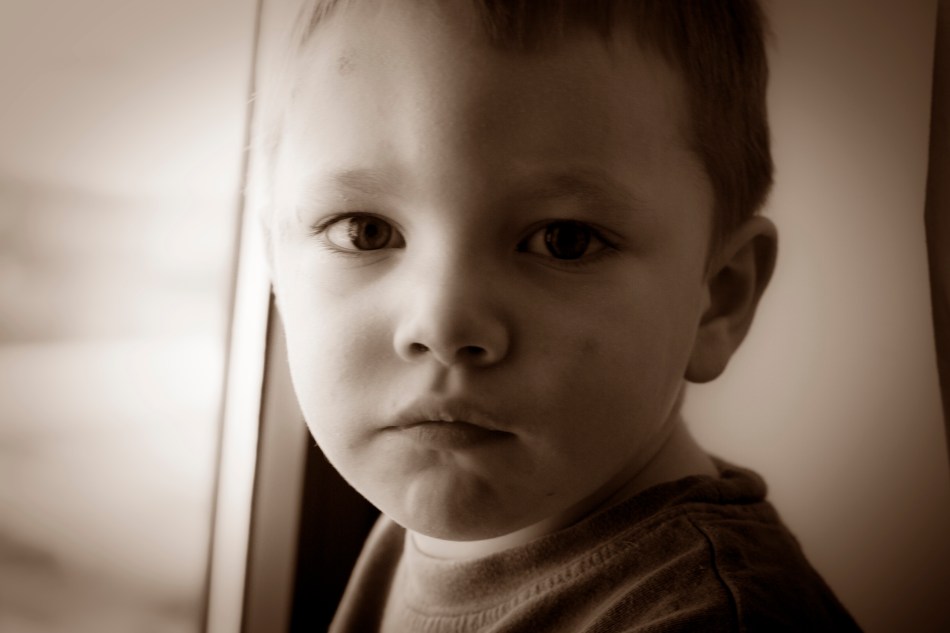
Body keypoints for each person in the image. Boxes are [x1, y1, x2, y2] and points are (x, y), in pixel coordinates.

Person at [254, 0, 863, 630]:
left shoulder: (707, 619)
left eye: (563, 239)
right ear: (273, 264)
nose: (442, 328)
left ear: (720, 298)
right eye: (366, 232)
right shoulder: (434, 502)